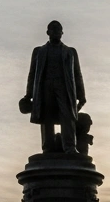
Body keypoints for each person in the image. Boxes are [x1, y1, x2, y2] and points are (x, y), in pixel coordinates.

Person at [21, 20, 86, 153]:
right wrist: (28, 95)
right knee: (47, 117)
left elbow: (77, 74)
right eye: (53, 30)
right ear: (48, 32)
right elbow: (32, 74)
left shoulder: (70, 52)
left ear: (62, 33)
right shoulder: (39, 51)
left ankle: (70, 147)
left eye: (58, 30)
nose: (56, 32)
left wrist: (81, 95)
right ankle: (48, 147)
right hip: (45, 88)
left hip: (65, 88)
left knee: (67, 116)